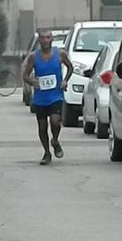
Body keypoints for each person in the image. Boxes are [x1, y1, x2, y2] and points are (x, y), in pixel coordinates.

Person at [23, 29, 73, 165]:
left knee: (55, 122)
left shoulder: (60, 54)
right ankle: (46, 152)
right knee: (42, 126)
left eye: (48, 37)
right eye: (43, 38)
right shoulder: (34, 57)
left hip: (56, 95)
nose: (45, 40)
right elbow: (25, 75)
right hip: (40, 98)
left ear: (52, 39)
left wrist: (65, 81)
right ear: (39, 40)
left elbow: (70, 67)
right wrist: (32, 82)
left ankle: (55, 140)